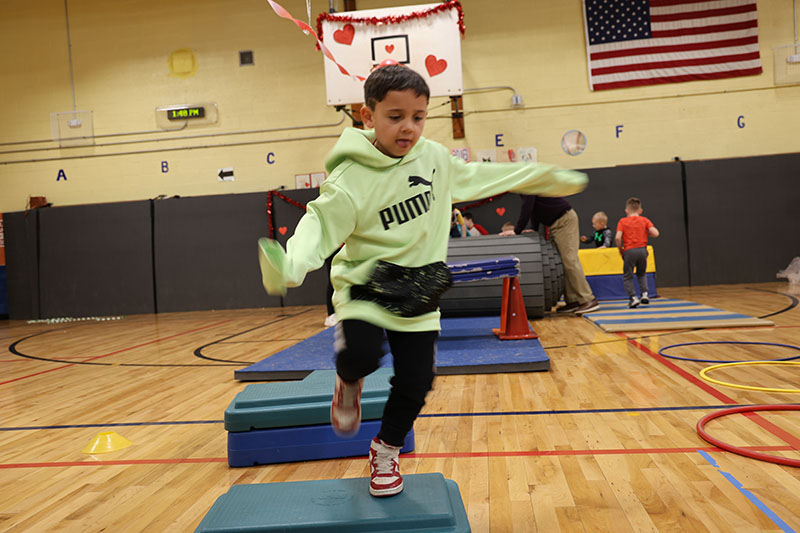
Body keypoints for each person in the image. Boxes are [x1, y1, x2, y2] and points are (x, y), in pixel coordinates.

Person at [257, 64, 587, 498]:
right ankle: (348, 379)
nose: (408, 127)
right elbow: (317, 227)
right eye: (395, 117)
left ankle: (386, 450)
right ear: (366, 115)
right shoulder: (349, 180)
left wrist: (540, 176)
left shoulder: (433, 159)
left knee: (417, 381)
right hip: (366, 285)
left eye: (418, 116)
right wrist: (291, 265)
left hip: (419, 288)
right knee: (360, 354)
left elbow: (478, 176)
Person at [501, 195, 599, 314]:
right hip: (555, 224)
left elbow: (527, 207)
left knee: (569, 260)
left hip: (564, 221)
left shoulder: (527, 185)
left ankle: (588, 299)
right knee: (561, 263)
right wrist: (534, 228)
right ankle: (573, 300)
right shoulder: (525, 187)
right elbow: (534, 209)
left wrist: (517, 230)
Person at [615, 197, 659, 308]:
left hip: (629, 250)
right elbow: (656, 233)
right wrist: (646, 233)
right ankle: (644, 294)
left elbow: (618, 238)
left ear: (626, 211)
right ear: (640, 211)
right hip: (642, 250)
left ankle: (633, 298)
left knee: (628, 276)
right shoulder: (644, 220)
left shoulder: (622, 221)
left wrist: (620, 249)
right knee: (641, 273)